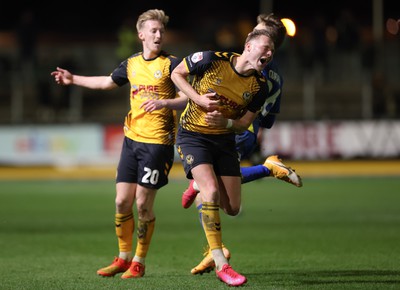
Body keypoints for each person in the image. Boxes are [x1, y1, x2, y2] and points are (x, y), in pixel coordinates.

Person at [51, 9, 187, 279]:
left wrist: (165, 103)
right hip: (131, 140)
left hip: (157, 144)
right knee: (122, 201)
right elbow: (106, 82)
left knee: (143, 205)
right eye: (153, 31)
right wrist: (72, 79)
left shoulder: (173, 64)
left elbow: (186, 96)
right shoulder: (132, 64)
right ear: (141, 35)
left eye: (161, 31)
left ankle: (139, 260)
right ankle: (123, 257)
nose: (158, 35)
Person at [174, 14, 303, 283]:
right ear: (248, 45)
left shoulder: (260, 86)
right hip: (193, 136)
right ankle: (221, 262)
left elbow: (245, 123)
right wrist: (197, 98)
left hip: (225, 140)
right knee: (209, 191)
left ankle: (261, 170)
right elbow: (177, 73)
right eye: (264, 47)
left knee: (231, 207)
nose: (268, 53)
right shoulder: (212, 59)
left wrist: (226, 121)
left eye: (271, 50)